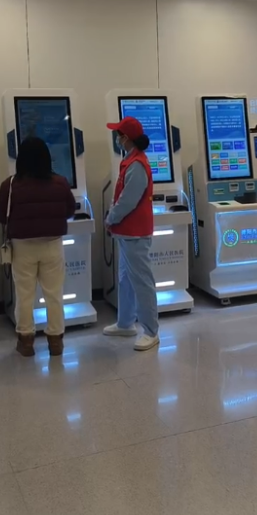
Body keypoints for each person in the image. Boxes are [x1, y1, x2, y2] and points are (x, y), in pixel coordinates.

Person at [0, 137, 75, 356]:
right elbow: (70, 210)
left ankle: (26, 341)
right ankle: (55, 341)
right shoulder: (60, 182)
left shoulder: (10, 185)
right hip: (52, 245)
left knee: (24, 295)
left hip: (23, 247)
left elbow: (0, 214)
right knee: (54, 294)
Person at [103, 116, 160, 351]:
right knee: (125, 279)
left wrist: (110, 218)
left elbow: (128, 201)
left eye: (119, 135)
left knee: (142, 281)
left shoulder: (137, 165)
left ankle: (151, 331)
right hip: (126, 232)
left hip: (135, 233)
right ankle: (126, 323)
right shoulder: (129, 161)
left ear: (126, 138)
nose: (117, 138)